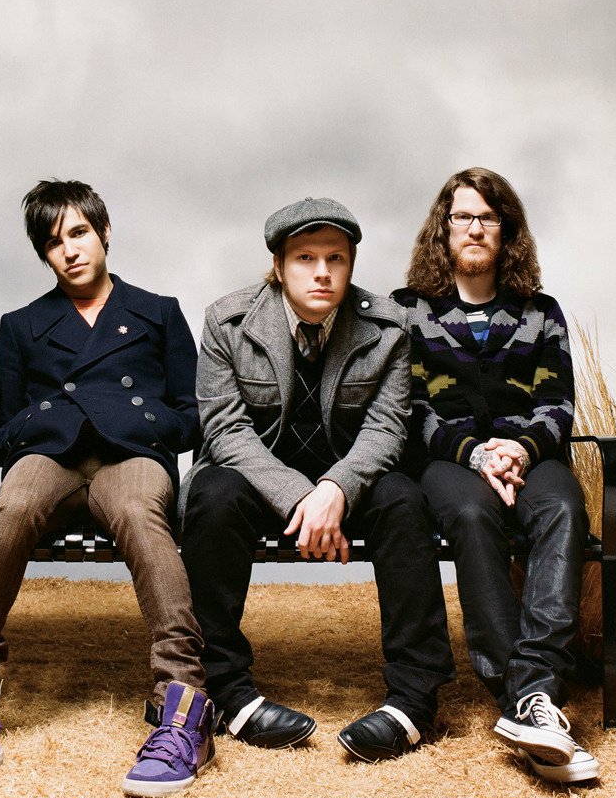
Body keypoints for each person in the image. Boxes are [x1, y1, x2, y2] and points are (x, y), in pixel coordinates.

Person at [0, 180, 213, 798]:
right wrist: (61, 416)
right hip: (51, 450)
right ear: (44, 254)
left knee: (143, 516)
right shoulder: (22, 325)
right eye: (54, 242)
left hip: (133, 453)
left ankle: (183, 704)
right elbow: (3, 425)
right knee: (11, 508)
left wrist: (129, 417)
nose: (70, 250)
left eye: (80, 232)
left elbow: (190, 415)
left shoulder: (158, 310)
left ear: (105, 231)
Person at [181, 198, 455, 761]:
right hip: (257, 477)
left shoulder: (387, 327)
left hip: (348, 478)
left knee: (404, 500)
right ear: (279, 266)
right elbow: (225, 430)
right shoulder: (226, 321)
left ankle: (413, 700)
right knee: (212, 496)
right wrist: (300, 497)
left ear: (352, 265)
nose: (322, 272)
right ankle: (229, 694)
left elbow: (387, 429)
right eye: (305, 257)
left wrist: (333, 490)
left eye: (336, 258)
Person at [394, 167, 598, 784]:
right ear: (443, 228)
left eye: (488, 217)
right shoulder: (411, 313)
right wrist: (478, 456)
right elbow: (410, 408)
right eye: (463, 216)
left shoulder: (541, 313)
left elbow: (558, 404)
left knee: (564, 508)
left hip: (531, 459)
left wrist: (517, 450)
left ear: (507, 231)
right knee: (472, 514)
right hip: (449, 465)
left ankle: (529, 691)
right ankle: (527, 699)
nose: (475, 228)